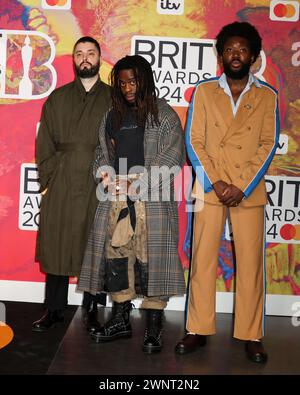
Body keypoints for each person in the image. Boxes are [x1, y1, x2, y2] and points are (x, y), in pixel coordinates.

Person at [175, 22, 279, 363]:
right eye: (230, 50)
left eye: (243, 50)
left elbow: (266, 145)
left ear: (254, 55)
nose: (236, 55)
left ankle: (252, 334)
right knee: (202, 261)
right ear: (221, 55)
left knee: (250, 265)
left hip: (248, 190)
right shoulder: (204, 91)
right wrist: (216, 181)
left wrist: (241, 186)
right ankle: (197, 329)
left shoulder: (267, 95)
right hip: (210, 188)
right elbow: (194, 141)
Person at [78, 55, 186, 353]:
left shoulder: (164, 115)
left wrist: (134, 183)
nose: (127, 87)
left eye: (133, 81)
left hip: (152, 202)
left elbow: (172, 159)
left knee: (152, 260)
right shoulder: (111, 116)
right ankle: (122, 319)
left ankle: (154, 324)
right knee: (117, 259)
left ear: (145, 80)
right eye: (122, 82)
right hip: (116, 201)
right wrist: (102, 173)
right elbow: (102, 154)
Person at [33, 36, 111, 332]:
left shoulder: (113, 98)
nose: (85, 58)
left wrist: (113, 177)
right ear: (74, 60)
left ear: (99, 57)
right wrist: (48, 178)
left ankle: (92, 311)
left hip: (98, 179)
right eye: (79, 53)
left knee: (96, 245)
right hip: (63, 180)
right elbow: (45, 143)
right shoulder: (58, 97)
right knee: (57, 244)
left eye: (90, 53)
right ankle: (53, 310)